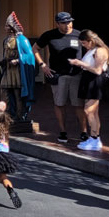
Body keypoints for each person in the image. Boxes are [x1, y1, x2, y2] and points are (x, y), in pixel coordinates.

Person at [33, 12, 86, 144]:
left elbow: (91, 48)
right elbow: (34, 48)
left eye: (69, 22)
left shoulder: (79, 34)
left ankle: (84, 132)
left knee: (79, 104)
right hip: (58, 75)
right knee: (59, 103)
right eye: (64, 23)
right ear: (57, 23)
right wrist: (42, 65)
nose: (67, 25)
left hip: (76, 74)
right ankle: (63, 132)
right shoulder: (49, 35)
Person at [69, 30, 109, 152]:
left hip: (95, 81)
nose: (83, 45)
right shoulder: (92, 50)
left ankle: (95, 138)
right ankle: (95, 138)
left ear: (90, 41)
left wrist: (80, 63)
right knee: (93, 112)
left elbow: (98, 70)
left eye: (84, 43)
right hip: (88, 80)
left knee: (89, 110)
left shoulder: (100, 51)